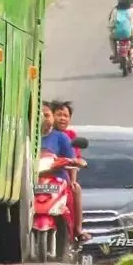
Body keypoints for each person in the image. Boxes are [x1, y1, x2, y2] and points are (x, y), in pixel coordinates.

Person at [52, 101, 89, 242]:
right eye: (59, 115)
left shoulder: (70, 135)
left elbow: (74, 160)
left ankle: (78, 229)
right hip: (45, 174)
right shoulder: (45, 134)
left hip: (63, 175)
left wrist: (72, 180)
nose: (62, 118)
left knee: (75, 189)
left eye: (66, 116)